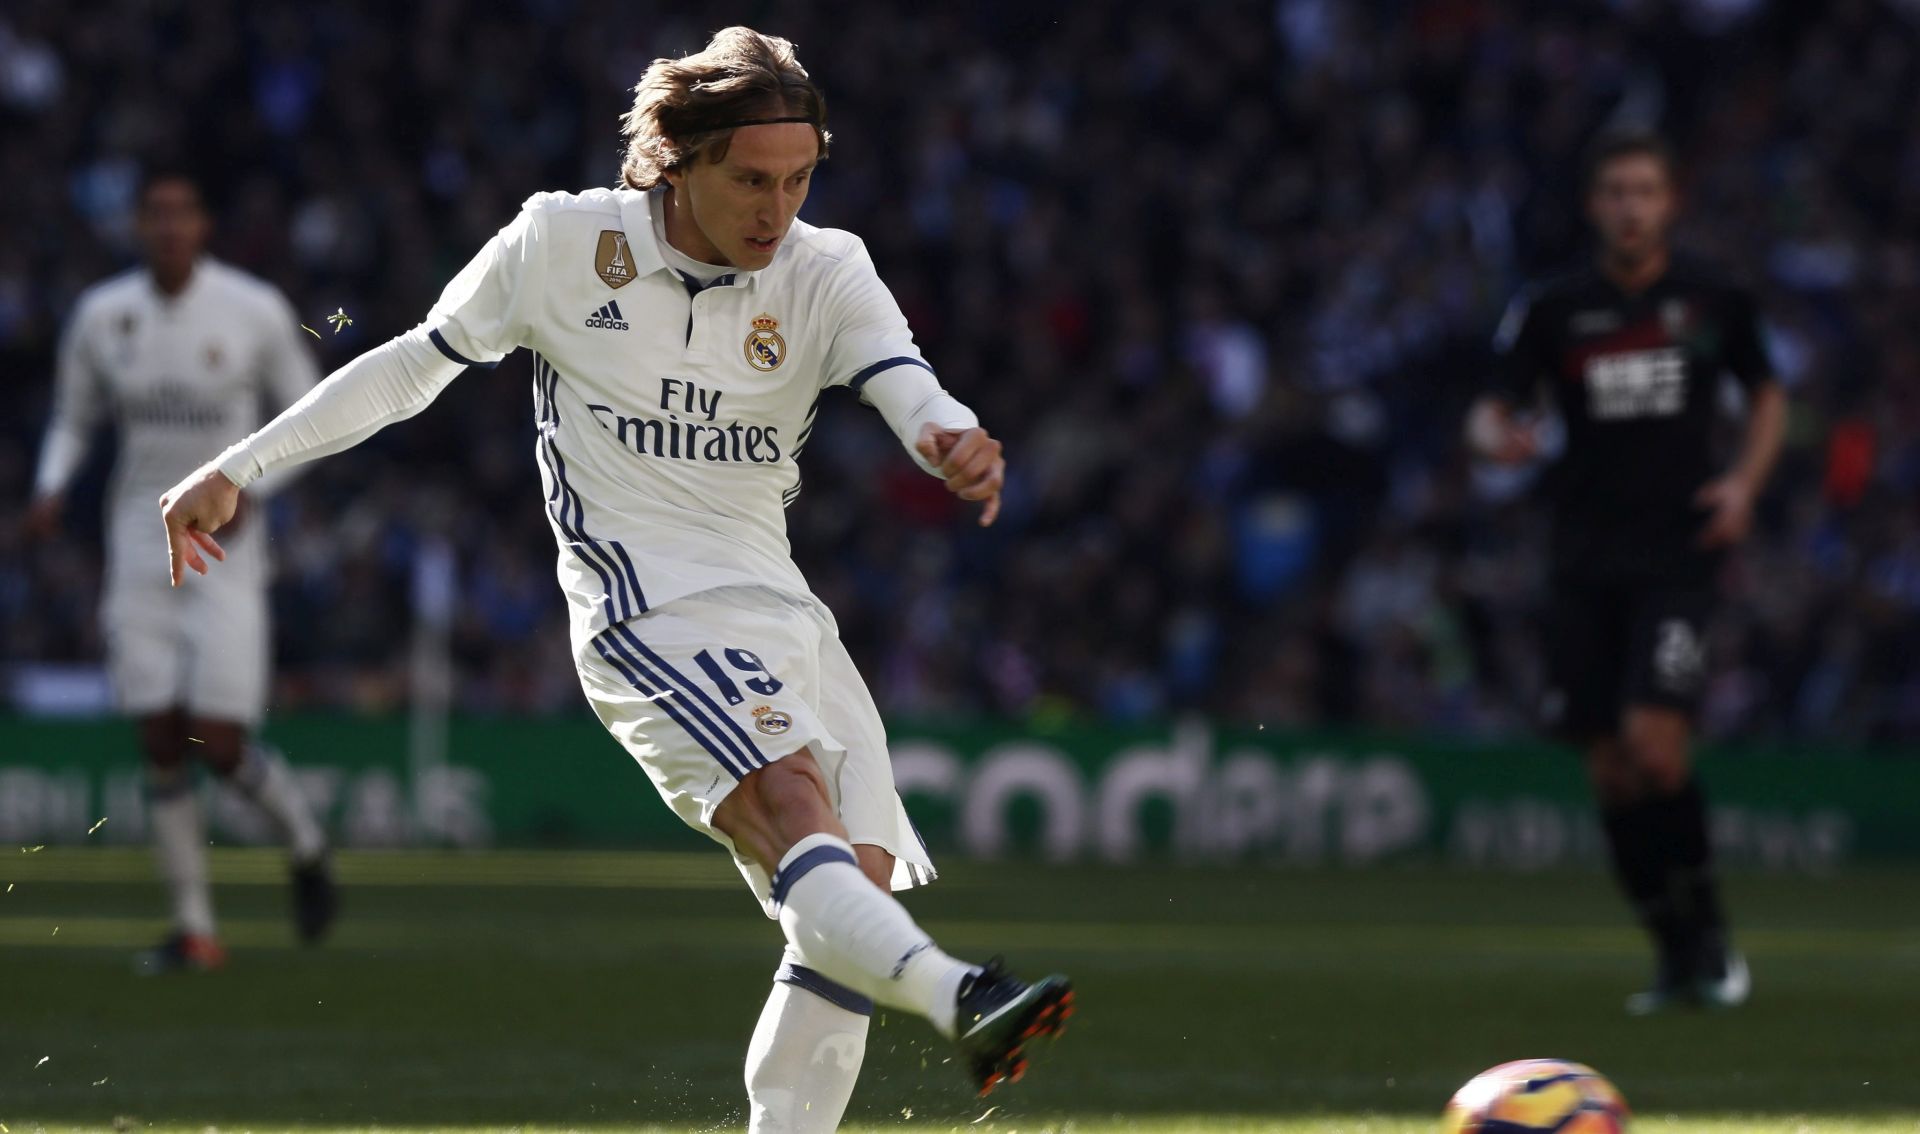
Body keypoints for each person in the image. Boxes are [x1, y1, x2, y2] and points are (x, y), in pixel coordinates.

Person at [156, 27, 1071, 1128]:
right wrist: (237, 467)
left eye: (797, 180)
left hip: (782, 611)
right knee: (792, 808)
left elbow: (909, 384)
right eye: (749, 180)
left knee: (843, 911)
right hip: (646, 610)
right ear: (674, 160)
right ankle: (963, 992)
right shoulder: (559, 243)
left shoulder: (829, 269)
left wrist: (952, 436)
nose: (774, 209)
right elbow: (410, 364)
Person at [1468, 130, 1786, 1013]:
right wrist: (1498, 438)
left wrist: (1743, 486)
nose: (1630, 206)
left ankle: (1714, 935)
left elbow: (1767, 393)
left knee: (1654, 746)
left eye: (1645, 190)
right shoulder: (1553, 309)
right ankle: (1672, 949)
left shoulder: (1713, 300)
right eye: (1615, 191)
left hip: (1677, 558)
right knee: (1610, 770)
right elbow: (1490, 411)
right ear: (1593, 206)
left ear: (1670, 202)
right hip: (1580, 562)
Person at [26, 170, 338, 973]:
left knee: (222, 741)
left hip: (227, 551)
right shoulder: (103, 316)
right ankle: (194, 928)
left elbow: (307, 414)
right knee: (161, 736)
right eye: (155, 215)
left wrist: (252, 484)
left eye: (181, 213)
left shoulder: (255, 310)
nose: (168, 228)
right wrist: (51, 487)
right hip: (137, 546)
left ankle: (304, 846)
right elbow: (73, 417)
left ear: (202, 224)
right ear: (139, 226)